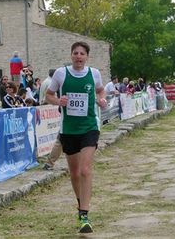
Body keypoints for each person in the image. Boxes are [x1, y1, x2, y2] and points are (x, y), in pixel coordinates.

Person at [46, 41, 107, 233]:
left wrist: (102, 99)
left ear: (87, 57)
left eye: (82, 53)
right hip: (69, 130)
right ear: (71, 55)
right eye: (75, 53)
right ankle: (80, 203)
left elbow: (100, 90)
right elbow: (49, 94)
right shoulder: (61, 74)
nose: (78, 56)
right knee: (74, 173)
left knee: (85, 170)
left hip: (89, 127)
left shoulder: (94, 73)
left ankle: (84, 215)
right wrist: (58, 100)